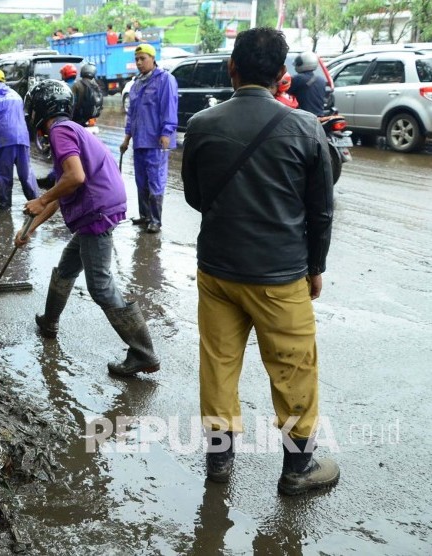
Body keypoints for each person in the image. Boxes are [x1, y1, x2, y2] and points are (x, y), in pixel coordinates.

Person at [181, 27, 337, 495]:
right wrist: (315, 267)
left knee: (218, 365)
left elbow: (194, 197)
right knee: (293, 368)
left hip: (217, 272)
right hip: (280, 275)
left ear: (232, 68)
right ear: (281, 76)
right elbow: (321, 210)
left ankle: (219, 464)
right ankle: (297, 470)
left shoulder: (203, 125)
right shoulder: (306, 127)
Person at [19, 80, 160, 377]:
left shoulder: (59, 131)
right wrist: (30, 229)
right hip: (96, 208)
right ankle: (49, 321)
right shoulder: (70, 129)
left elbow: (76, 177)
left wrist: (40, 198)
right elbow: (64, 189)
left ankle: (143, 353)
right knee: (67, 267)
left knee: (99, 285)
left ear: (40, 109)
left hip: (96, 210)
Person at [120, 43, 178, 234]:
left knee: (155, 181)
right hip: (139, 141)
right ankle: (144, 215)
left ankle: (155, 220)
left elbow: (169, 107)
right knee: (141, 180)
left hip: (156, 141)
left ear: (153, 58)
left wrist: (166, 133)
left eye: (142, 58)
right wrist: (127, 138)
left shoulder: (165, 80)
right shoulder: (137, 83)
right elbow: (132, 114)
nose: (139, 62)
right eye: (136, 59)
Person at [0, 68, 39, 210]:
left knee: (2, 175)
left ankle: (4, 206)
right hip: (22, 138)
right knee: (26, 174)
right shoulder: (15, 95)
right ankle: (37, 202)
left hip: (4, 139)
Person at [289, 51, 327, 117]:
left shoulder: (298, 79)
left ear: (302, 63)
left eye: (299, 63)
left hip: (303, 116)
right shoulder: (321, 80)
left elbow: (285, 92)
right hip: (320, 115)